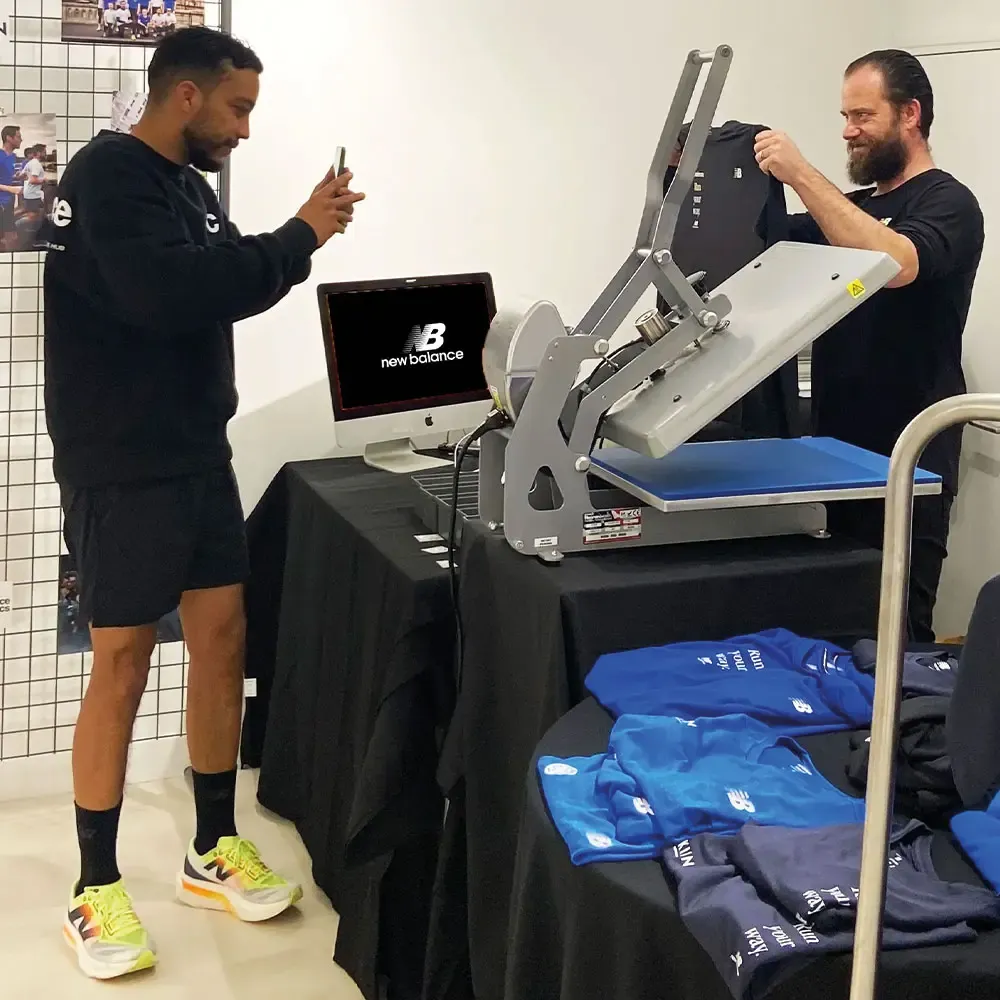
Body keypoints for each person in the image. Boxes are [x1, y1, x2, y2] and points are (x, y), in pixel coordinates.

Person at [41, 26, 364, 980]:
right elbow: (172, 294)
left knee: (222, 638)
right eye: (238, 108)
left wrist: (292, 243)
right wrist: (300, 235)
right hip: (120, 464)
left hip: (194, 455)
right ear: (186, 95)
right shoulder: (109, 176)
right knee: (123, 660)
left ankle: (212, 848)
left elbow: (222, 287)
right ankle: (94, 887)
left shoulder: (186, 186)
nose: (245, 130)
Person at [753, 49, 984, 643]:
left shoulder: (948, 203)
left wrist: (801, 173)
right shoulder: (853, 211)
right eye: (844, 116)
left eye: (862, 116)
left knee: (899, 630)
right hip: (836, 456)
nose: (848, 131)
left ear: (910, 114)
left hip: (910, 458)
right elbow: (766, 248)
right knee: (839, 622)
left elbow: (896, 262)